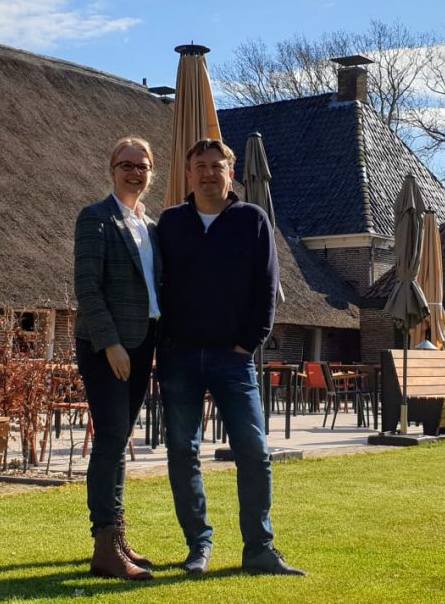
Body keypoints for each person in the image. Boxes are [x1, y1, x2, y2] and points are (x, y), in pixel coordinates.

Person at [157, 138, 304, 577]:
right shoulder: (170, 224)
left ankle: (258, 548)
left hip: (232, 359)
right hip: (180, 356)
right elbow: (155, 286)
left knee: (254, 450)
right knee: (182, 451)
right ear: (187, 174)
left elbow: (267, 289)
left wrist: (248, 343)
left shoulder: (252, 221)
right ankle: (197, 546)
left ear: (230, 172)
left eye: (216, 166)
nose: (207, 173)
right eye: (199, 166)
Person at [73, 136, 160, 581]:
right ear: (112, 169)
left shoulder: (152, 227)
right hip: (106, 347)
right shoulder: (96, 219)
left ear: (151, 173)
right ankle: (105, 546)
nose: (134, 172)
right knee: (110, 438)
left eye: (142, 166)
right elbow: (87, 288)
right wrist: (110, 345)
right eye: (126, 164)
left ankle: (118, 536)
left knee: (119, 440)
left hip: (143, 344)